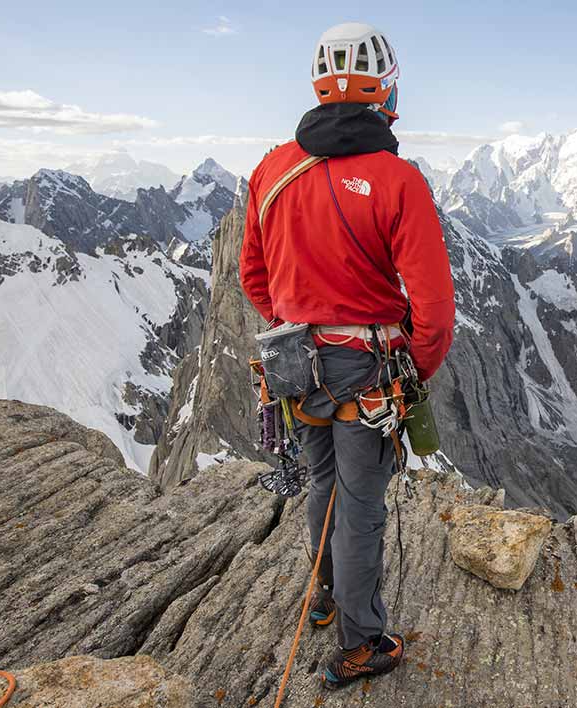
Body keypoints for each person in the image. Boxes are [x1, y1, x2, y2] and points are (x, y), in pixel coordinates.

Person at [238, 21, 455, 690]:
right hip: (368, 370)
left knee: (324, 481)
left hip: (297, 365)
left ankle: (325, 594)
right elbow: (434, 309)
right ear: (385, 91)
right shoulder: (397, 181)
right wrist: (412, 373)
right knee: (360, 504)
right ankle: (362, 641)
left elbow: (254, 274)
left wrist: (293, 327)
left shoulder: (273, 169)